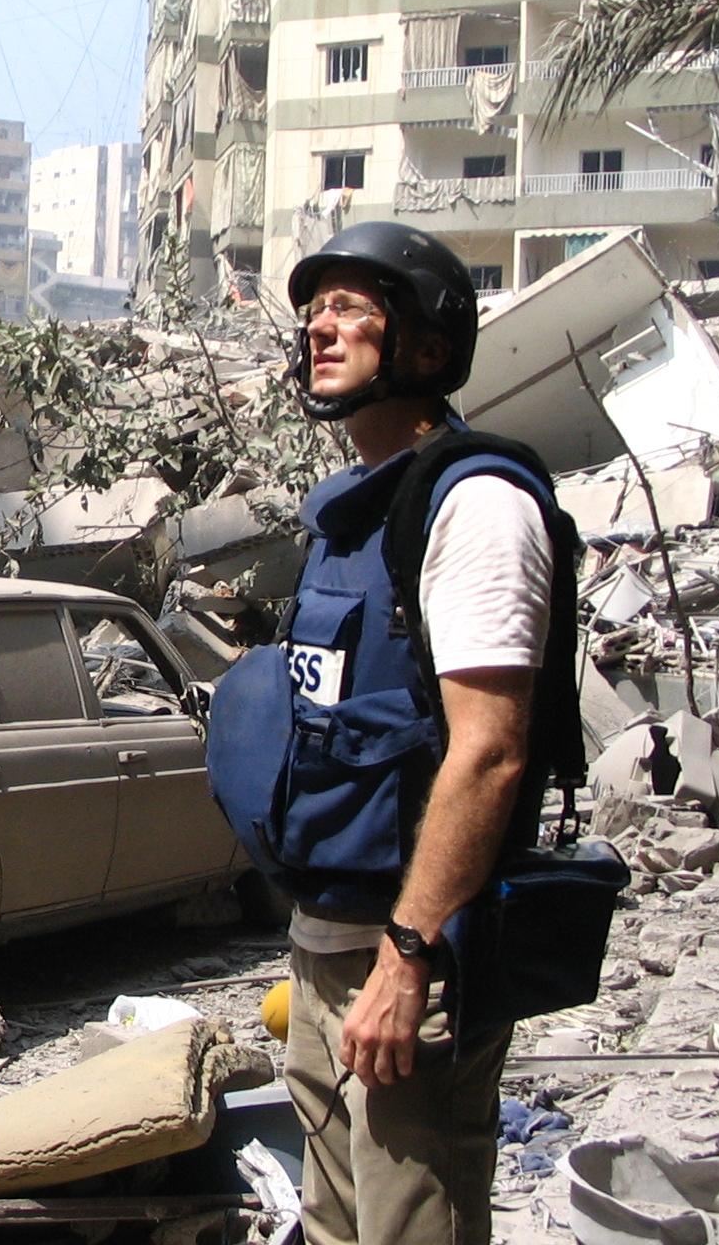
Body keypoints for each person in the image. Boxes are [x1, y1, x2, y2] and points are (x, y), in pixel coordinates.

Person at [277, 222, 555, 1245]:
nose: (320, 329)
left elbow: (489, 752)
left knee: (409, 1227)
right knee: (333, 1226)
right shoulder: (350, 514)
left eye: (351, 309)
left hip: (409, 959)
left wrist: (405, 959)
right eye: (314, 311)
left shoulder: (473, 507)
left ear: (428, 347)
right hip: (326, 947)